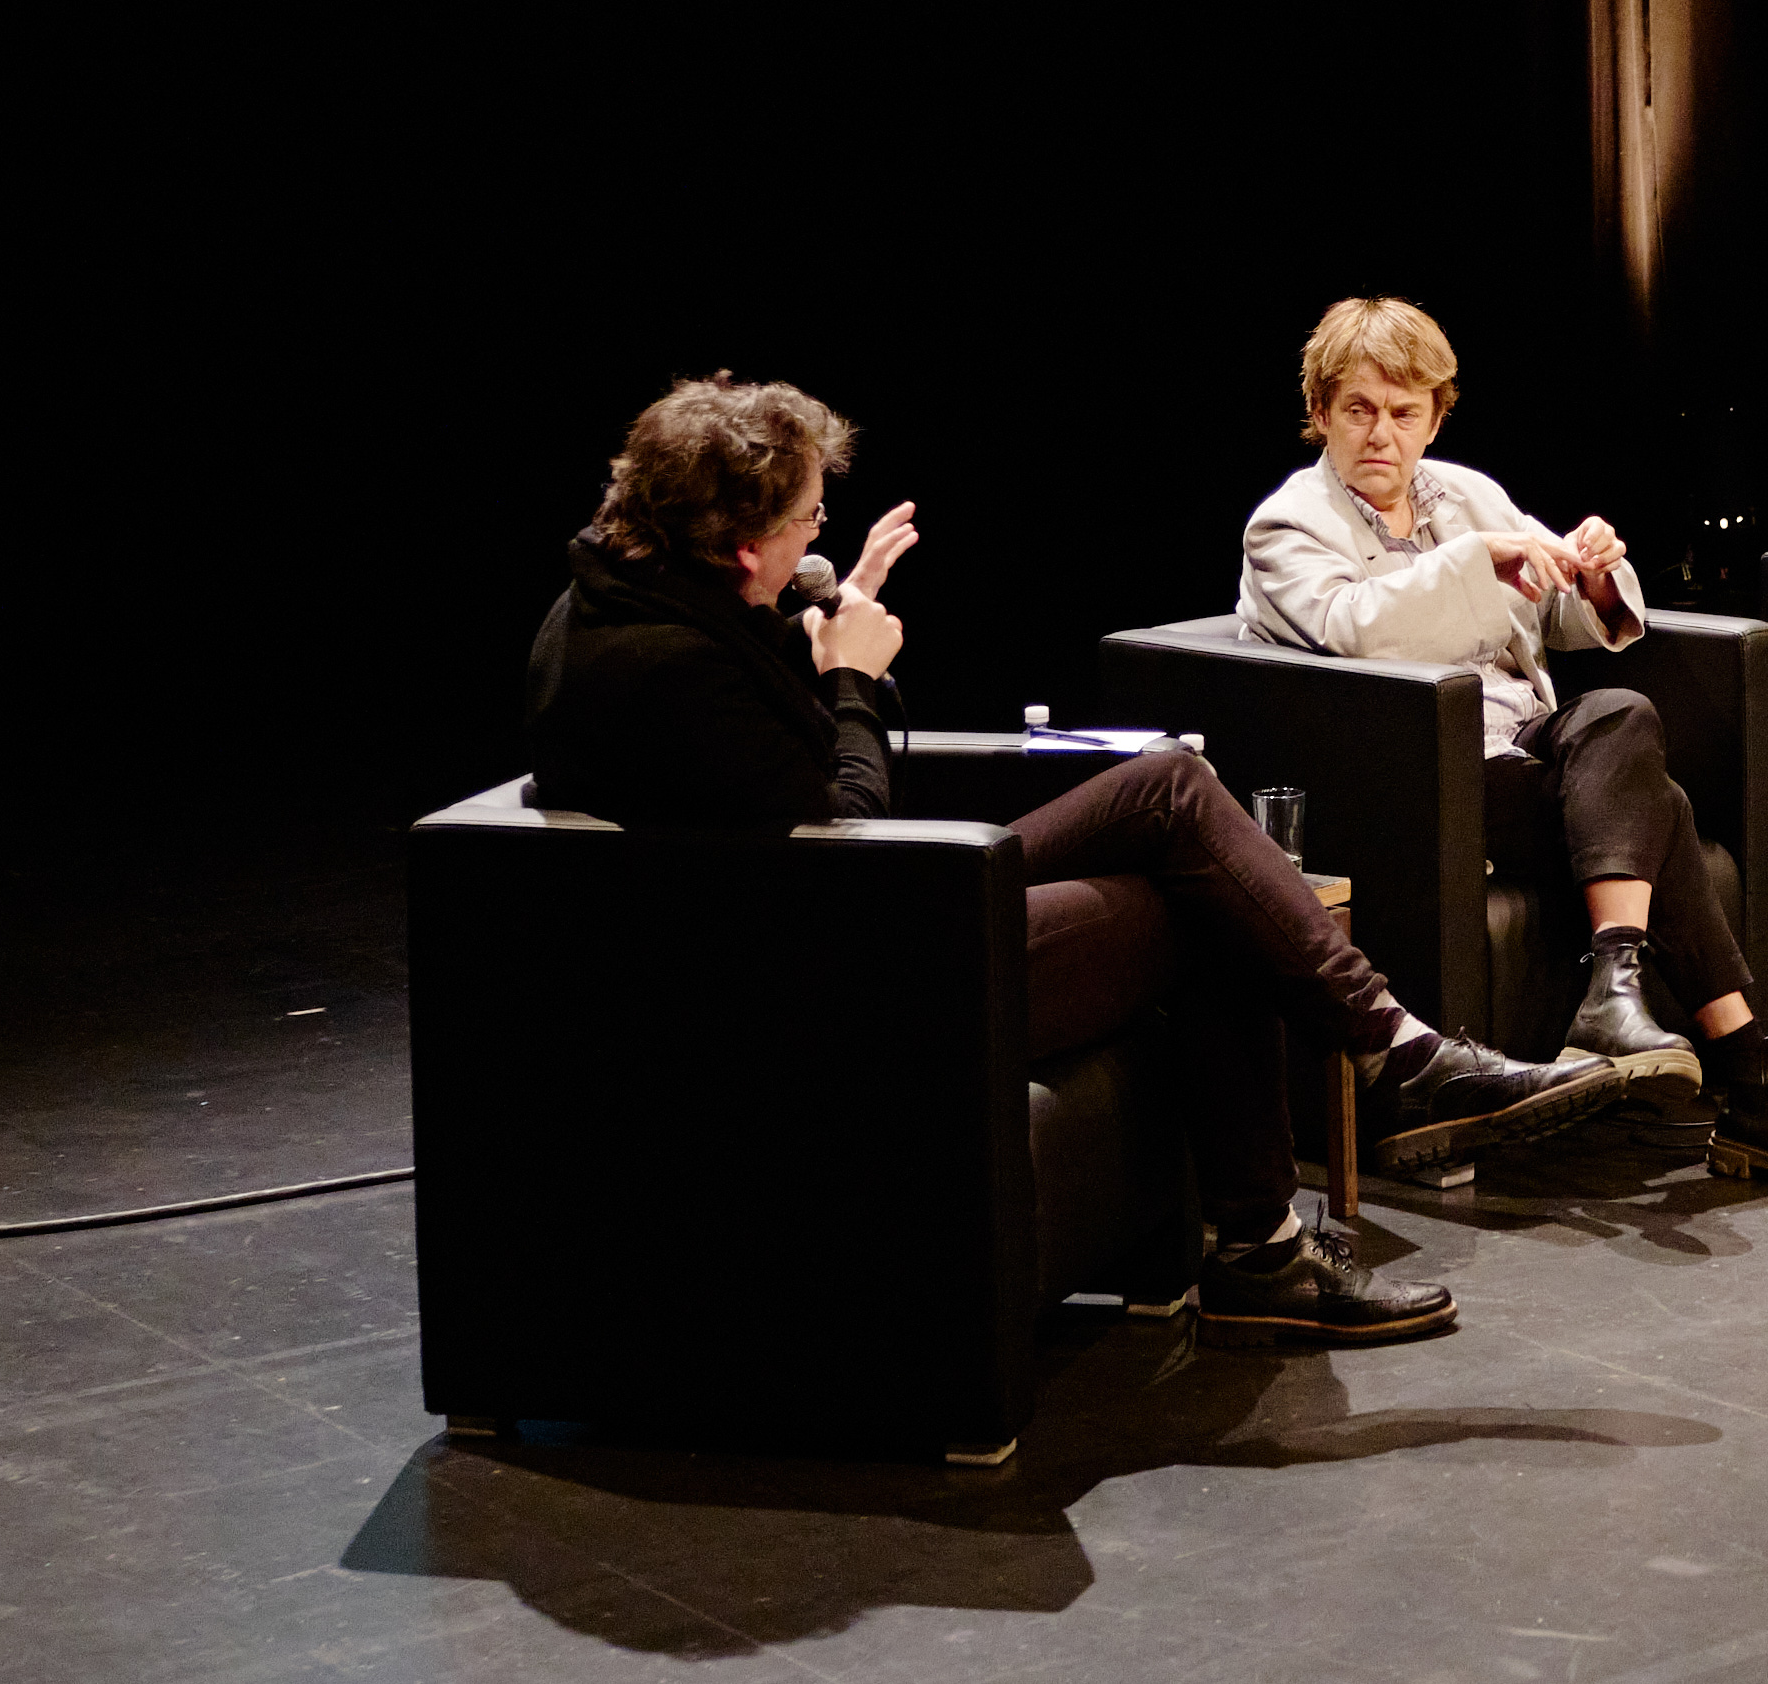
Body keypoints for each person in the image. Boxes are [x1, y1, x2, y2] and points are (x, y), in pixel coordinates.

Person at [524, 374, 1618, 1345]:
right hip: (838, 969)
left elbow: (786, 795)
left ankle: (1353, 1121)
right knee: (1195, 887)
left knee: (1168, 794)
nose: (819, 533)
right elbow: (838, 831)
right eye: (806, 520)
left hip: (858, 908)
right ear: (740, 544)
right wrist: (850, 679)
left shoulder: (648, 598)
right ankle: (1341, 1143)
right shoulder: (663, 668)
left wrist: (819, 617)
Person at [1239, 298, 1768, 1193]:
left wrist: (1592, 572)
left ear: (1436, 414)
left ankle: (1617, 990)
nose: (1381, 434)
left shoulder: (1464, 491)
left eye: (1404, 412)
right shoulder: (1288, 524)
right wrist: (1481, 558)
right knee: (1658, 806)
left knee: (1621, 709)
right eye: (1358, 409)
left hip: (1527, 740)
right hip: (1425, 772)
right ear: (1320, 411)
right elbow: (1354, 627)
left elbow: (1555, 600)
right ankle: (1756, 1082)